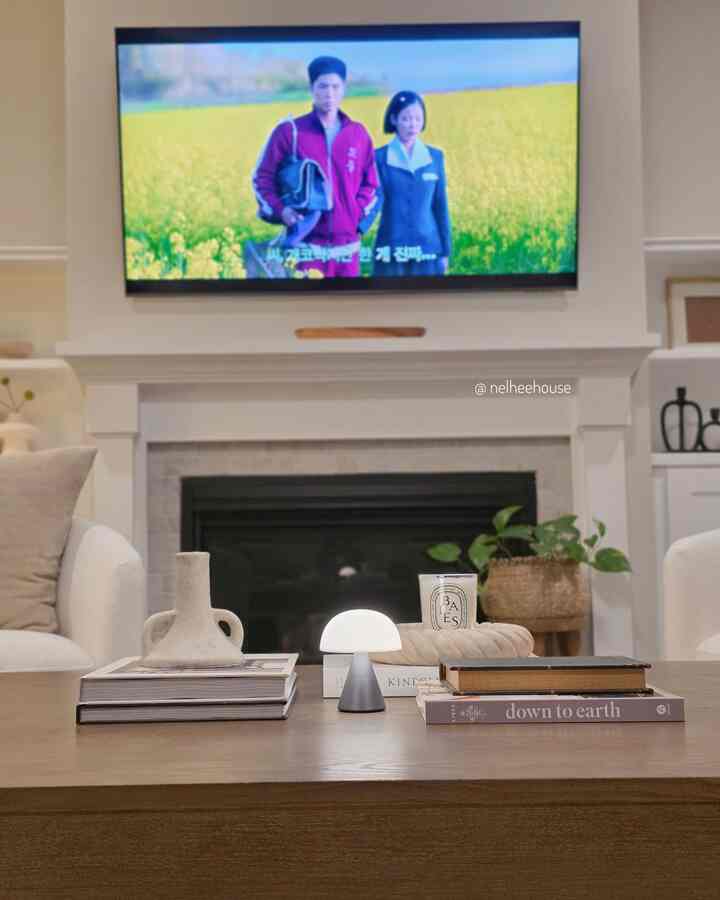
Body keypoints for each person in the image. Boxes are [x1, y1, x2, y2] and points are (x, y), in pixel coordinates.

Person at [252, 55, 379, 278]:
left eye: (335, 86)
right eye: (322, 86)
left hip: (347, 253)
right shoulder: (290, 132)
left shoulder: (358, 133)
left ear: (344, 89)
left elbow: (372, 184)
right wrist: (282, 211)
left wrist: (355, 215)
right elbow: (262, 179)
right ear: (311, 88)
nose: (329, 93)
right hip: (304, 250)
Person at [373, 91, 451, 277]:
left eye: (418, 119)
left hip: (428, 250)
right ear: (393, 119)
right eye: (406, 119)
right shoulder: (379, 158)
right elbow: (372, 202)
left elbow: (440, 206)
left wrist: (445, 251)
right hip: (391, 249)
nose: (413, 125)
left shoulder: (435, 157)